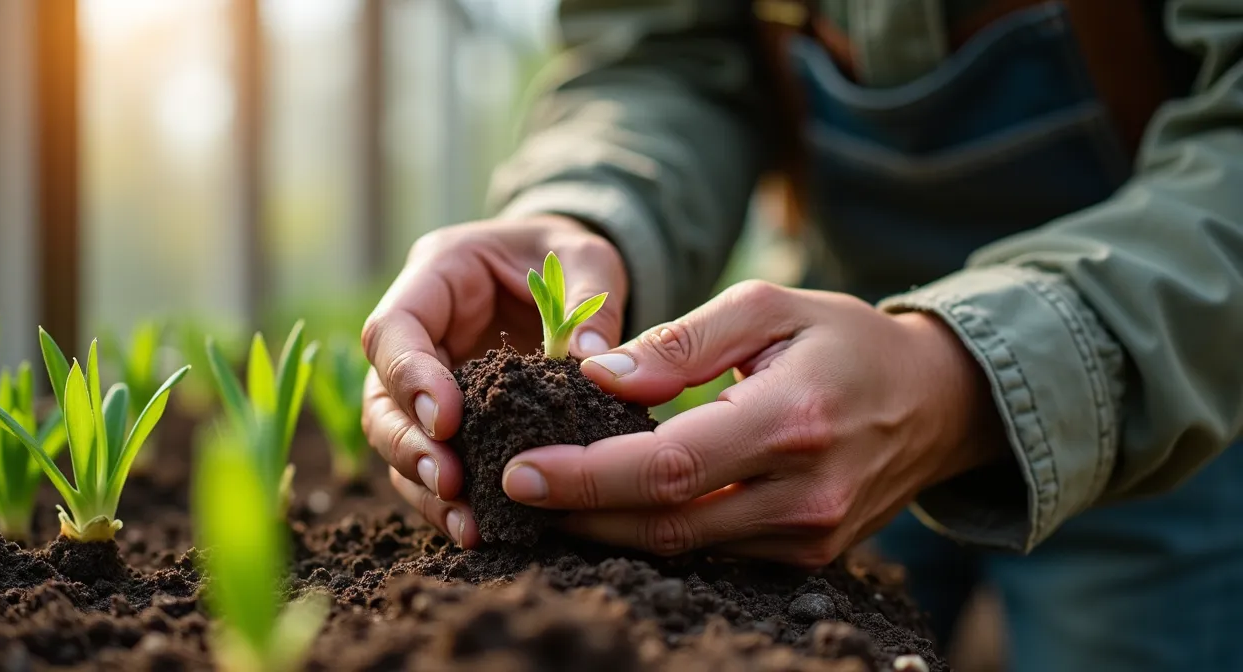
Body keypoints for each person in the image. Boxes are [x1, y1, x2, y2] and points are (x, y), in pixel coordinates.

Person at [360, 1, 1243, 669]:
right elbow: (662, 56)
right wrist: (588, 208)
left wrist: (980, 370)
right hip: (812, 387)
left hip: (1155, 379)